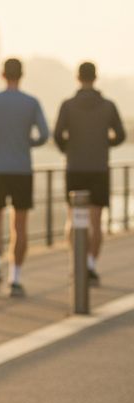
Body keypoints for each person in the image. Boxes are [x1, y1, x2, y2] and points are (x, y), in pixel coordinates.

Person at [0, 57, 49, 296]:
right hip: (22, 169)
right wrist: (28, 143)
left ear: (2, 74)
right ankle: (15, 279)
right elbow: (45, 134)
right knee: (20, 226)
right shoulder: (31, 103)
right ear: (22, 75)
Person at [53, 62, 126, 282]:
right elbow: (121, 135)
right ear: (96, 78)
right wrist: (104, 143)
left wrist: (70, 148)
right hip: (99, 168)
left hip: (75, 167)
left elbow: (57, 135)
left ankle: (77, 263)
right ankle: (91, 265)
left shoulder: (67, 105)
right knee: (96, 221)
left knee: (74, 219)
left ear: (77, 77)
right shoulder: (108, 105)